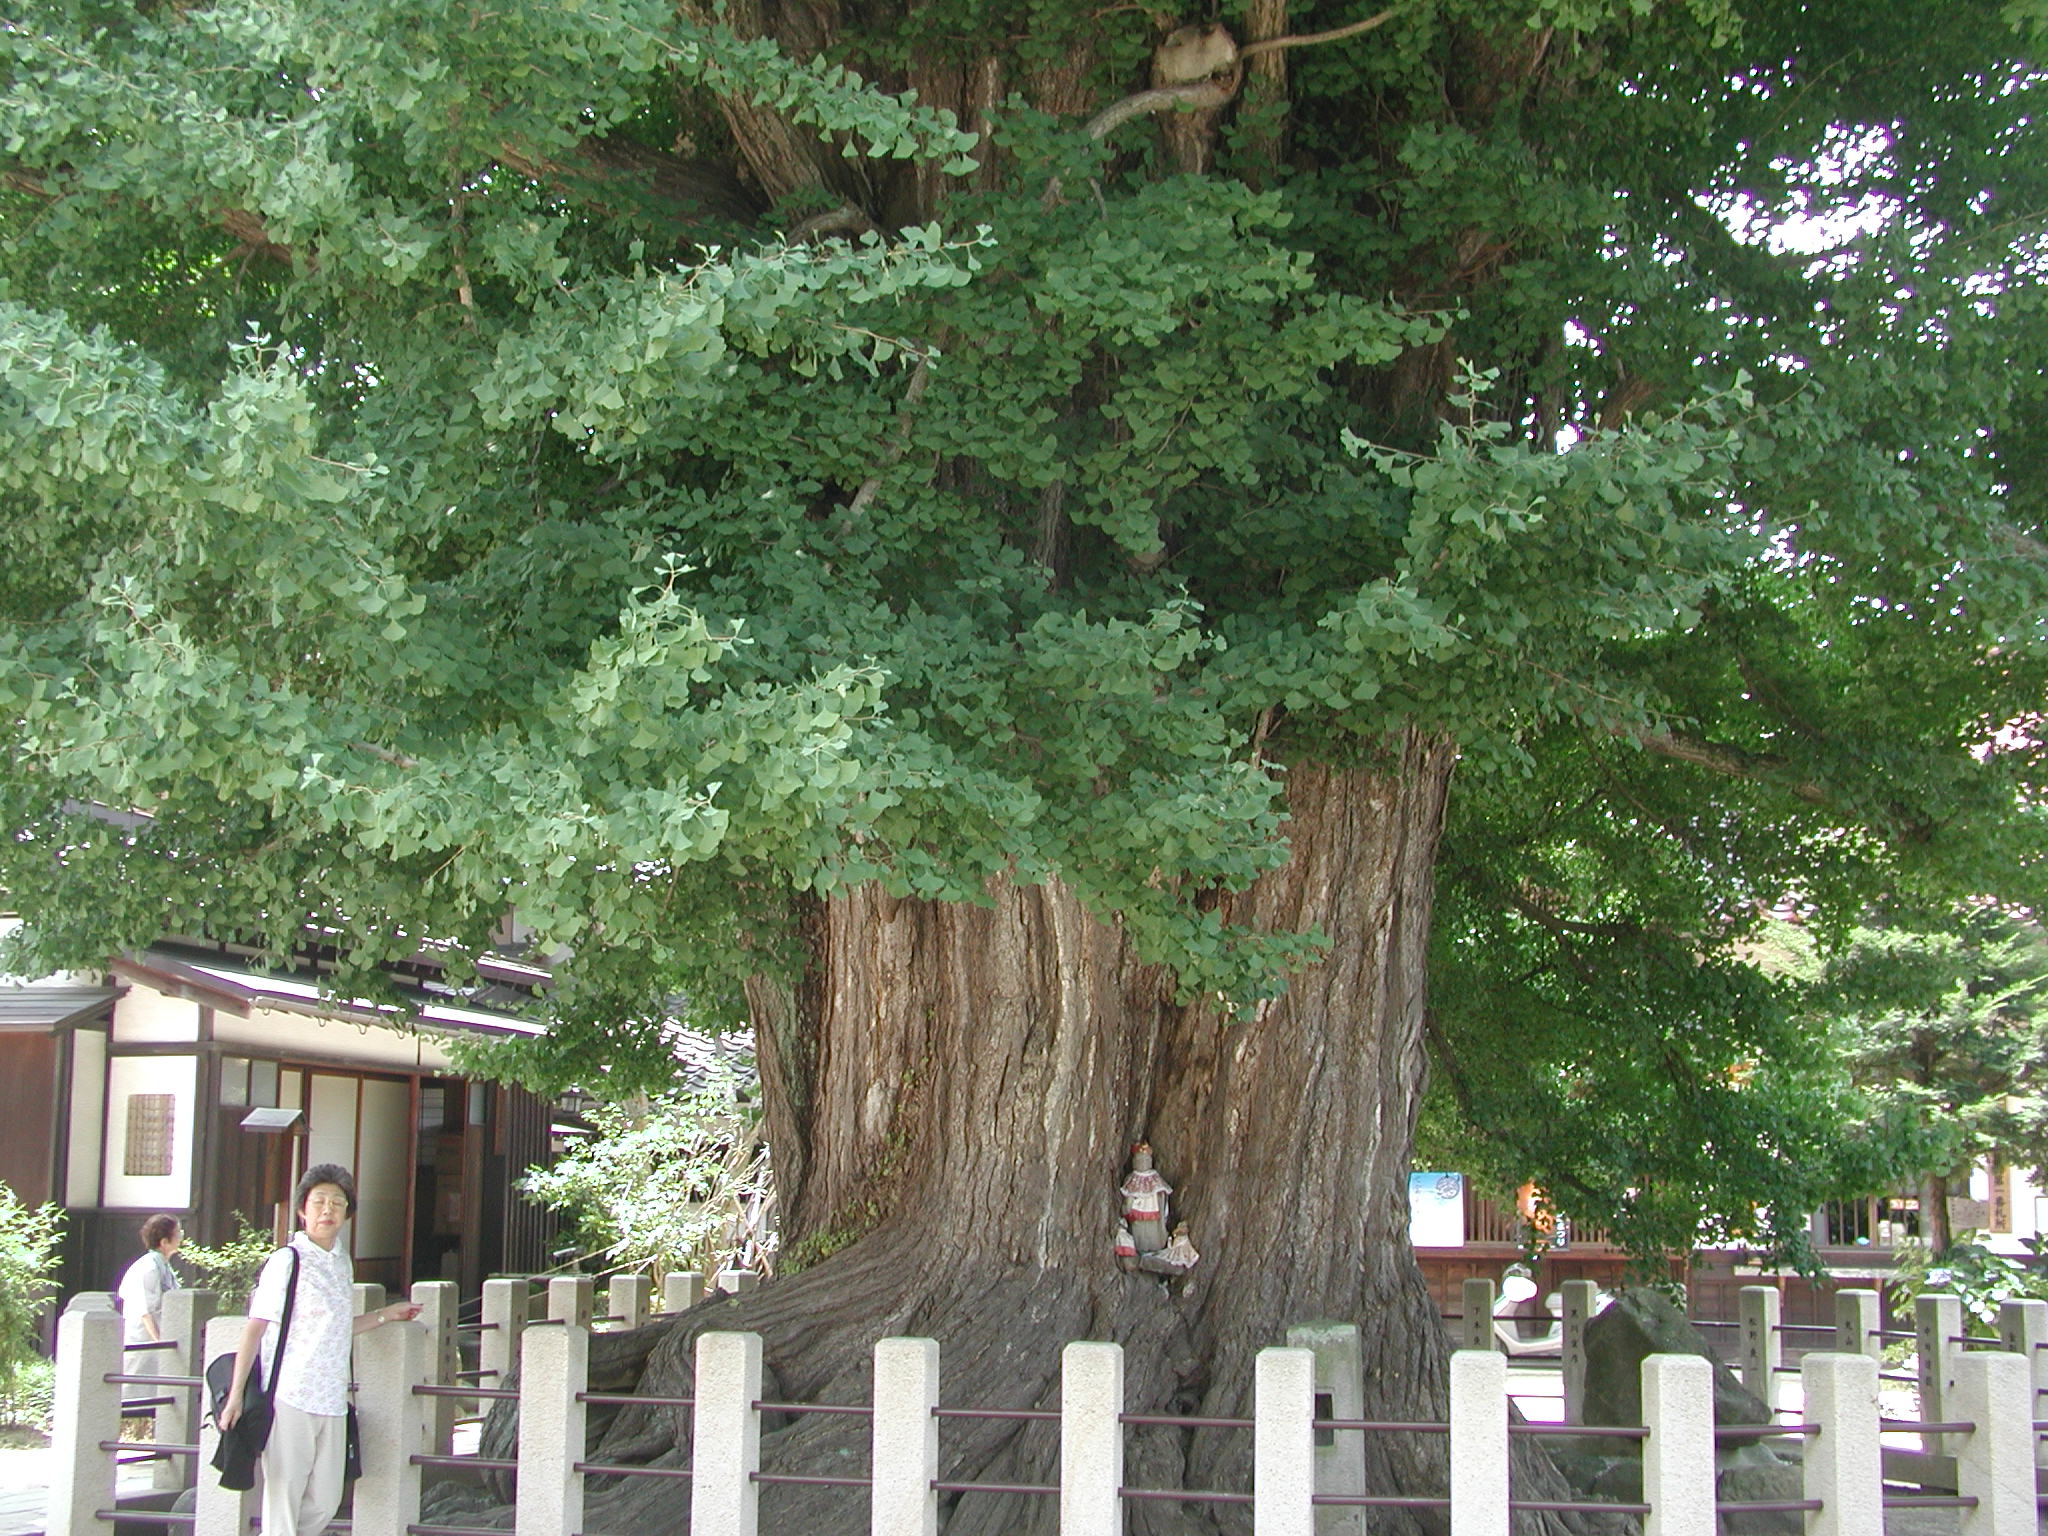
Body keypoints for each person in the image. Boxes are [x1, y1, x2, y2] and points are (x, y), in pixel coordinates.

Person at [219, 1165, 420, 1536]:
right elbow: (254, 1329)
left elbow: (337, 1329)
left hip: (331, 1397)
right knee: (284, 1500)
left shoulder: (341, 1262)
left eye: (337, 1203)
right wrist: (235, 1397)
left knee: (326, 1500)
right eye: (319, 1202)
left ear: (347, 1213)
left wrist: (385, 1316)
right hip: (290, 1396)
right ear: (302, 1210)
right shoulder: (287, 1260)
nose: (328, 1210)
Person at [117, 1213, 182, 1347]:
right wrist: (159, 1343)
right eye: (178, 1233)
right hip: (142, 1341)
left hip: (157, 1338)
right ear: (164, 1242)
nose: (181, 1237)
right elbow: (144, 1310)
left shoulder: (162, 1265)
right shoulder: (149, 1267)